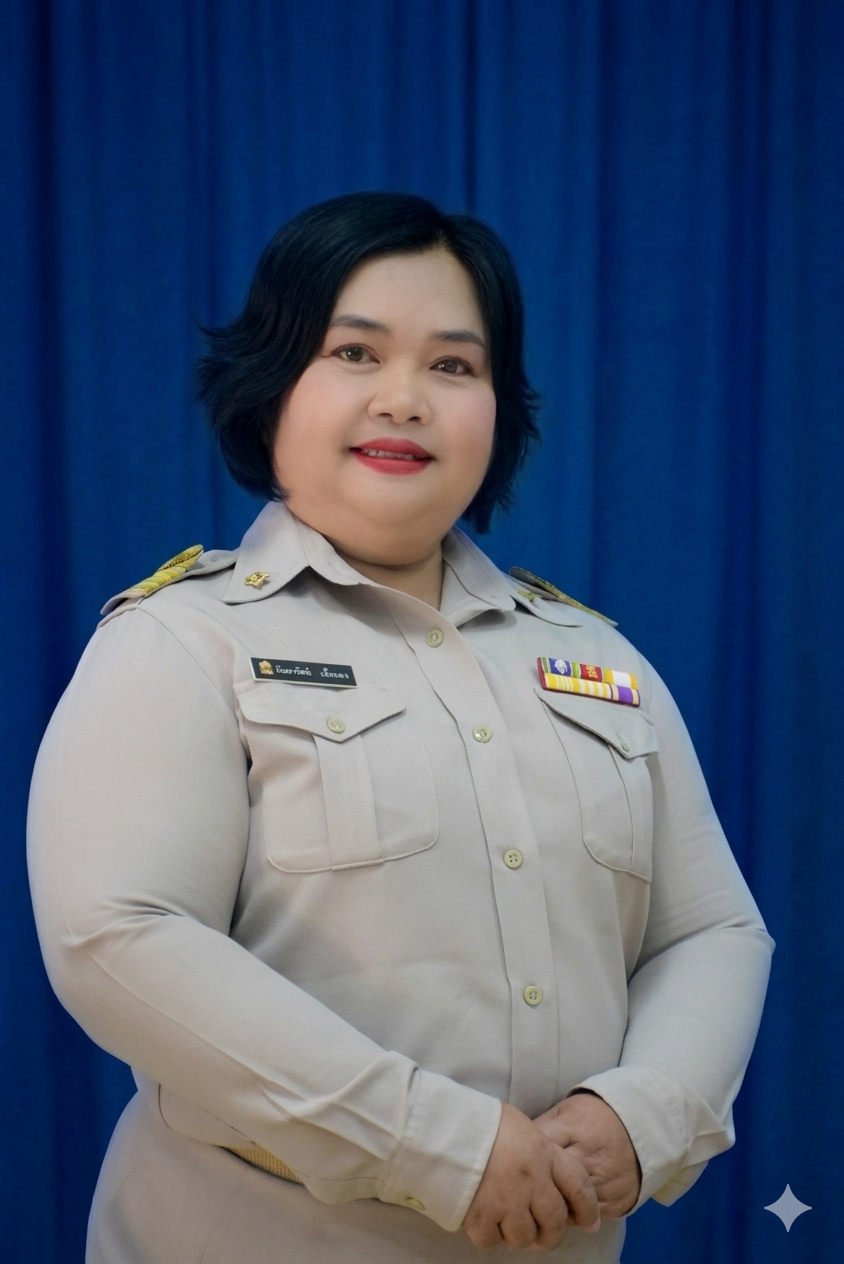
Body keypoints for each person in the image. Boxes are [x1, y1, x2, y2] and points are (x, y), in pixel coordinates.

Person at [27, 192, 773, 1263]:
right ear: (272, 385)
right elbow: (116, 935)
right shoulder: (185, 640)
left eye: (454, 365)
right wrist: (434, 1144)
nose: (404, 399)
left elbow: (711, 930)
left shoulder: (598, 659)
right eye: (354, 352)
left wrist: (641, 1112)